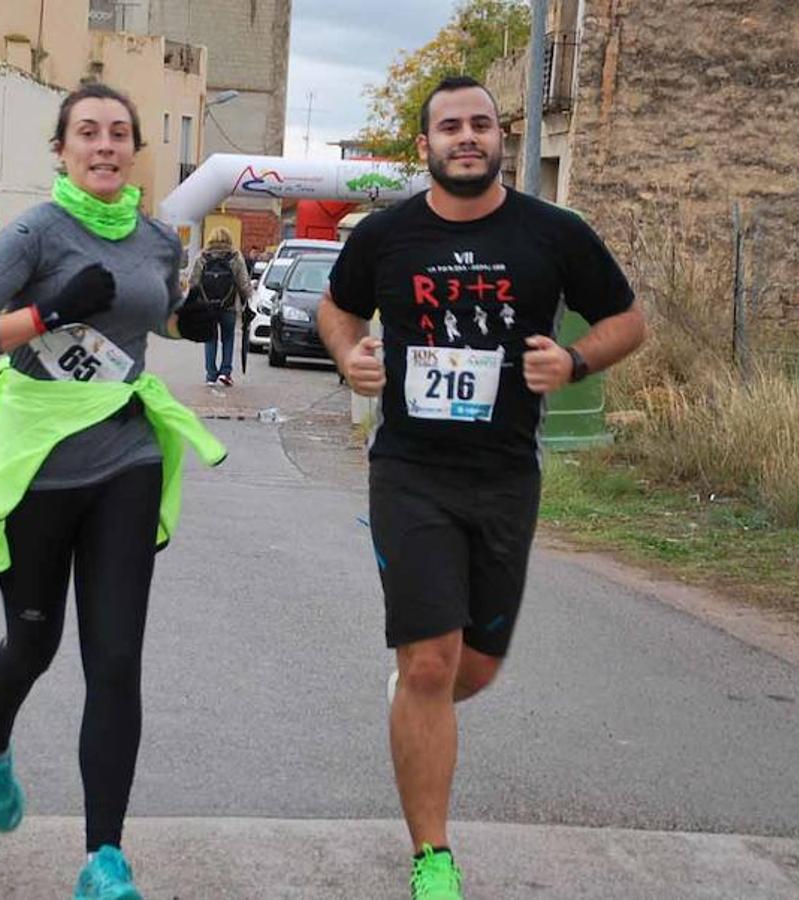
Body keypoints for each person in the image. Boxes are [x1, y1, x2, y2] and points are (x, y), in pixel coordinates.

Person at [317, 75, 646, 900]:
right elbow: (336, 309)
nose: (466, 137)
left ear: (500, 138)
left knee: (475, 670)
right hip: (410, 472)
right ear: (424, 145)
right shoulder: (387, 236)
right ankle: (434, 857)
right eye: (448, 127)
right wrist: (350, 354)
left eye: (480, 125)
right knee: (431, 661)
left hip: (505, 475)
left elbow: (627, 321)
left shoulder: (554, 232)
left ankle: (417, 698)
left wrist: (574, 361)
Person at [0, 81, 224, 900]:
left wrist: (184, 321)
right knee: (33, 646)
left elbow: (152, 307)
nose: (105, 146)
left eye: (119, 134)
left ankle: (105, 859)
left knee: (117, 660)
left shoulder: (156, 238)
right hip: (37, 466)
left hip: (125, 456)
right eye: (87, 133)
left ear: (135, 150)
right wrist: (45, 310)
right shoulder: (33, 233)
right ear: (60, 149)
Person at [187, 227, 252, 386]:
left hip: (207, 305)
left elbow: (192, 282)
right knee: (228, 338)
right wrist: (248, 298)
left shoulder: (202, 257)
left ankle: (210, 375)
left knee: (210, 338)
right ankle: (225, 372)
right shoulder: (235, 257)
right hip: (228, 305)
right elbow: (243, 283)